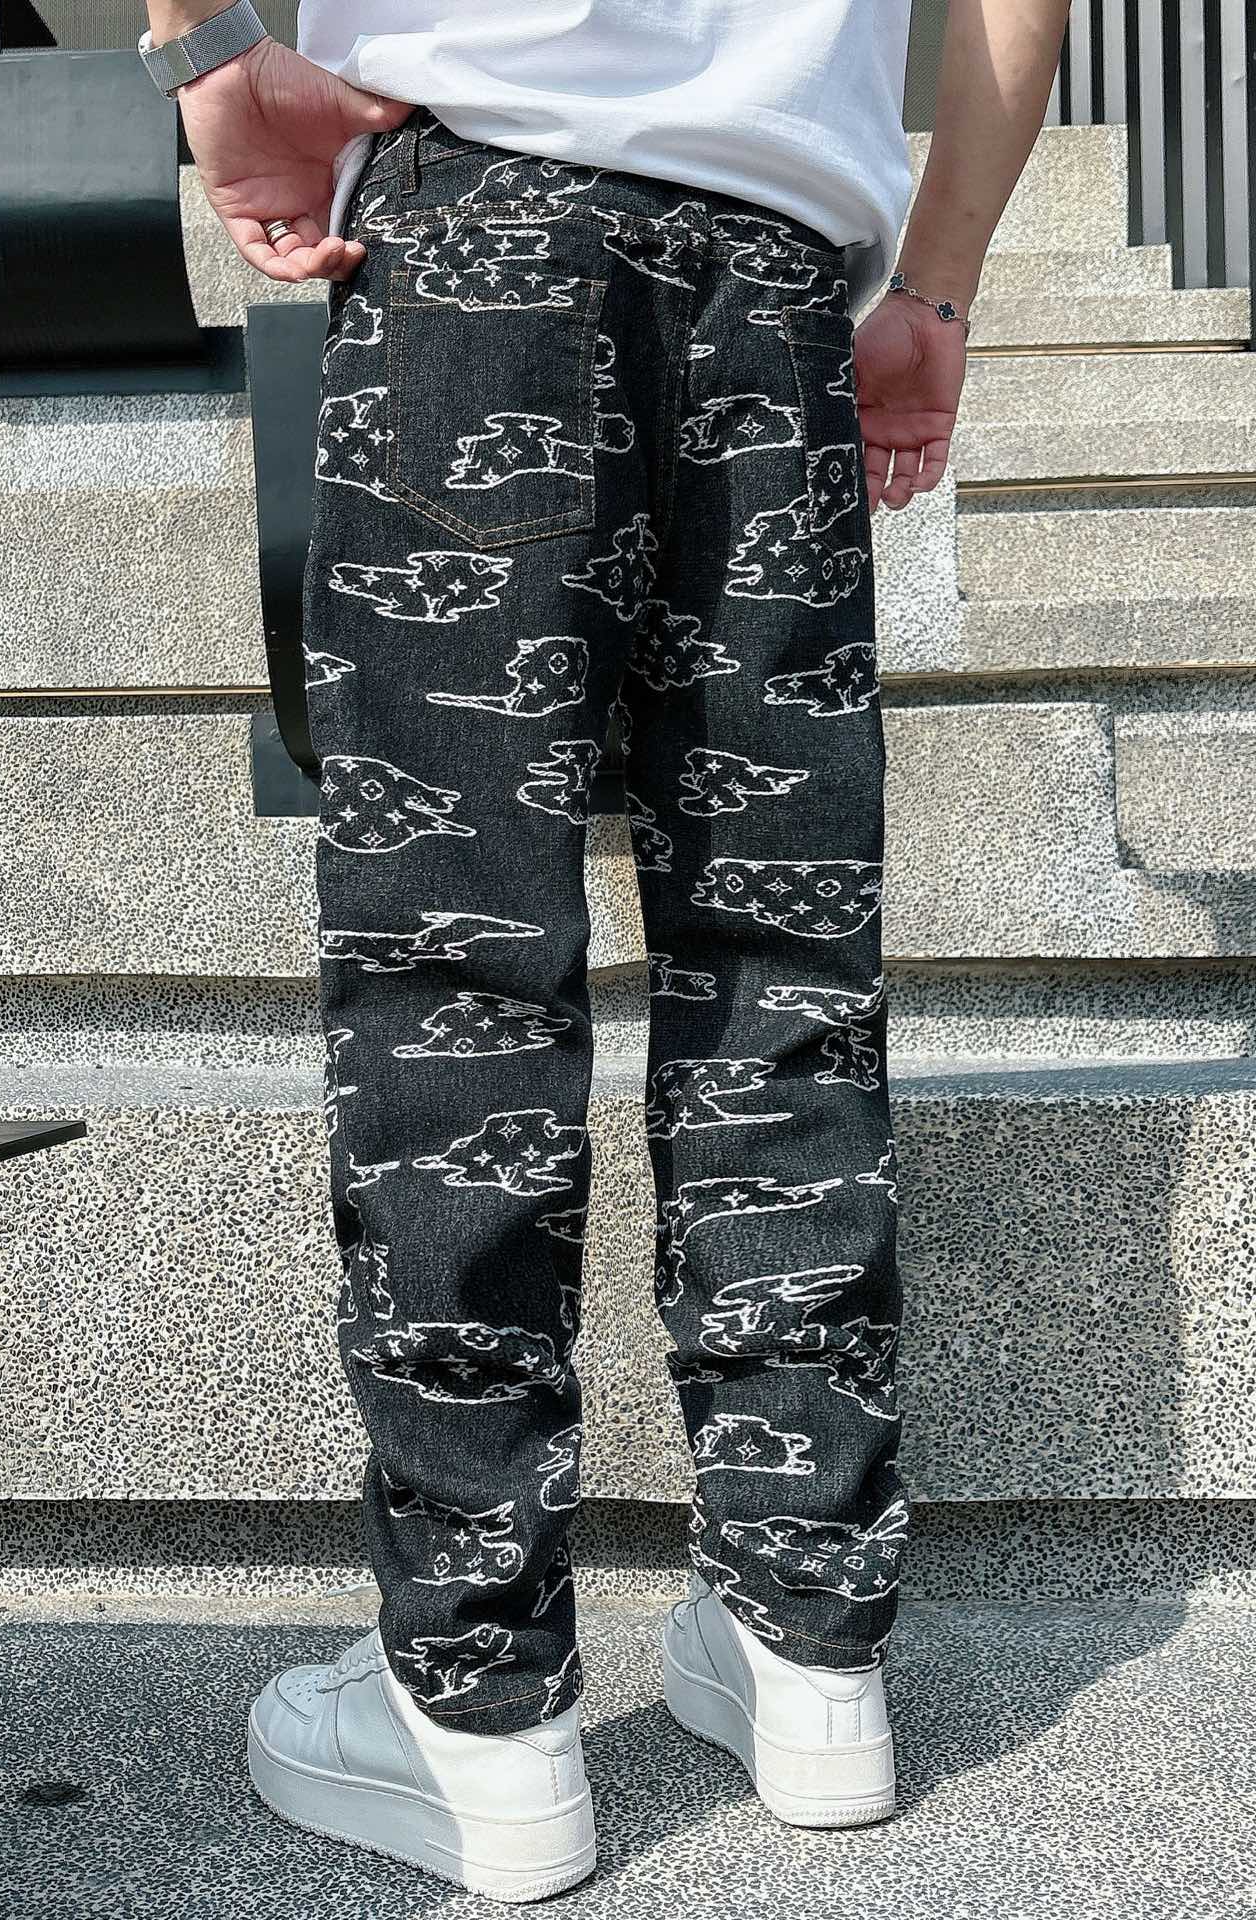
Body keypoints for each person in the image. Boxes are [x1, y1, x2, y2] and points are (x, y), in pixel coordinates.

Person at [140, 0, 1072, 1900]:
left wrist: (211, 60)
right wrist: (936, 289)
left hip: (481, 229)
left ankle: (479, 1711)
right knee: (780, 970)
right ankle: (811, 1652)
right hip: (778, 275)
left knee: (458, 978)